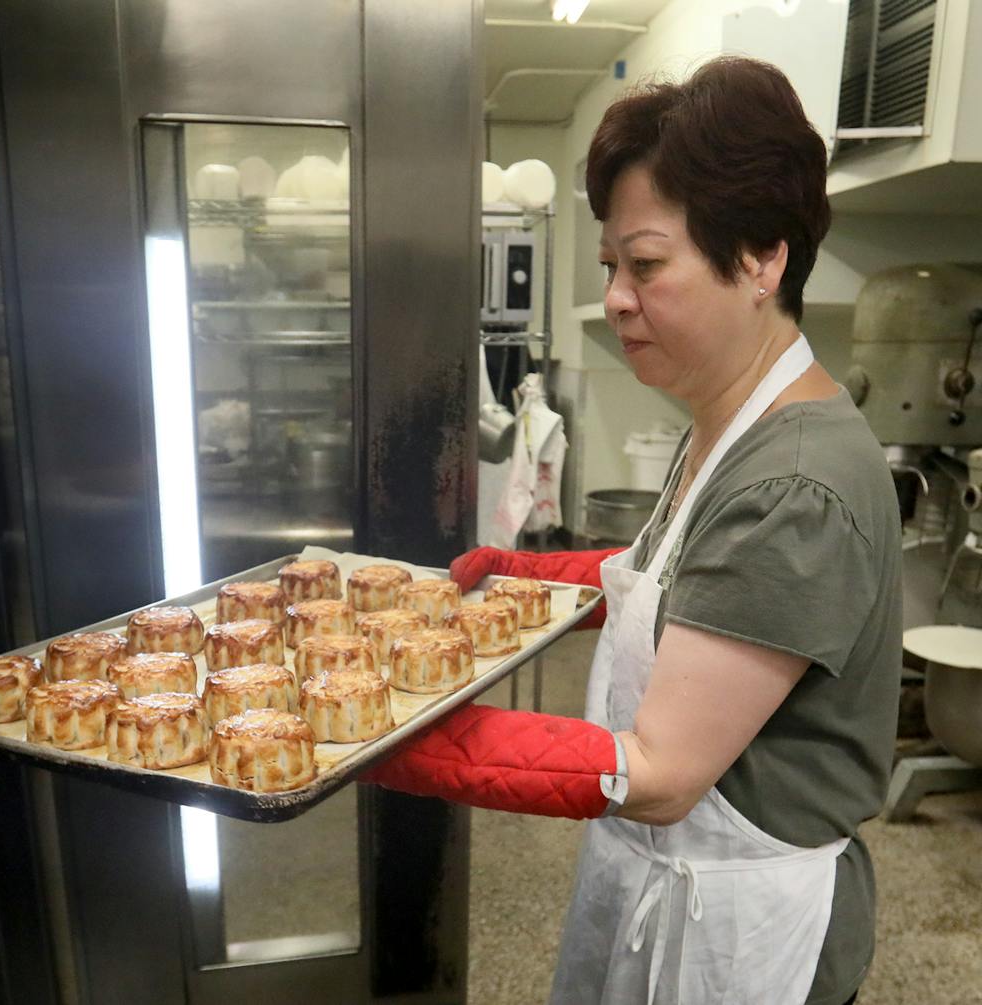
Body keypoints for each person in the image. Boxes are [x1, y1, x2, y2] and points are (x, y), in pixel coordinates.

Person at [365, 56, 900, 1005]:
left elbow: (655, 772)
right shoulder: (734, 421)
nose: (615, 296)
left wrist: (398, 739)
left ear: (762, 255)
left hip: (744, 928)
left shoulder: (799, 482)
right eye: (613, 265)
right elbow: (673, 575)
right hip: (672, 881)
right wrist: (527, 584)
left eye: (645, 264)